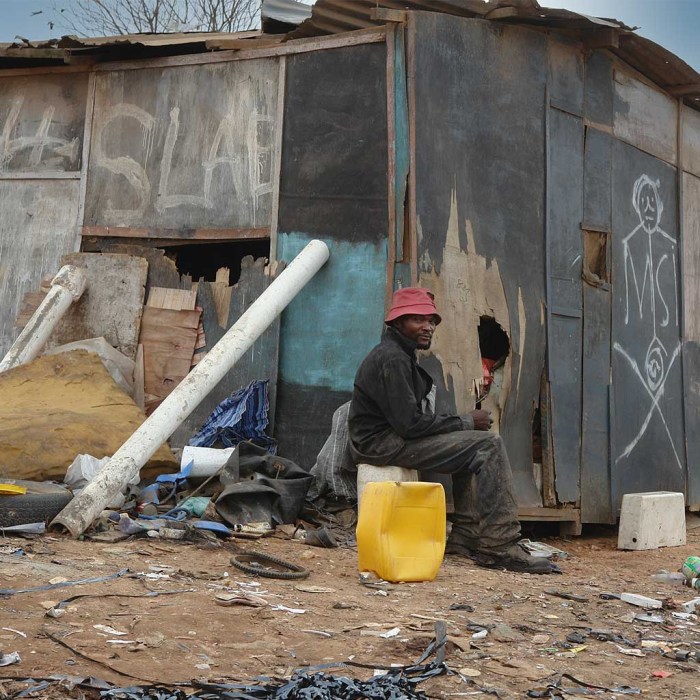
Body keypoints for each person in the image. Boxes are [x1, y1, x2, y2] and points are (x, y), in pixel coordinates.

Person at [348, 287, 552, 574]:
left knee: (472, 444)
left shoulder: (400, 354)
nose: (428, 327)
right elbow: (409, 425)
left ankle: (466, 534)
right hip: (383, 444)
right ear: (397, 323)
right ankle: (500, 544)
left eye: (431, 320)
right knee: (487, 446)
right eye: (418, 320)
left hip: (388, 439)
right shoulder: (392, 358)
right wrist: (465, 421)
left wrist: (463, 427)